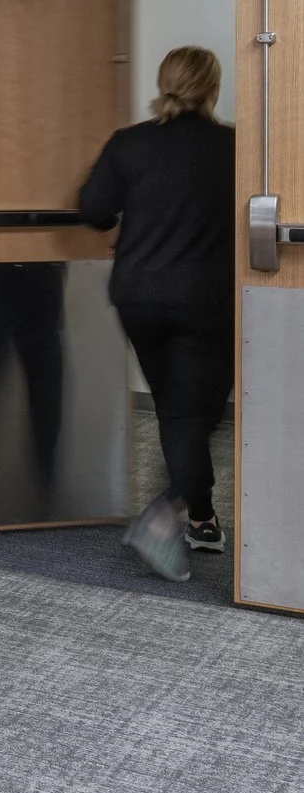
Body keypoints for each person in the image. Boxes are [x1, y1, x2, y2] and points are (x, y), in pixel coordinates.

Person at [79, 45, 237, 580]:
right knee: (198, 412)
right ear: (213, 90)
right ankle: (166, 511)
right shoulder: (235, 146)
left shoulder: (130, 144)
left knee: (176, 408)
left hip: (138, 296)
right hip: (204, 299)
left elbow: (95, 211)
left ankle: (201, 518)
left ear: (164, 84)